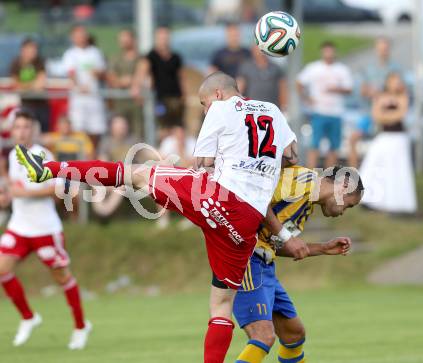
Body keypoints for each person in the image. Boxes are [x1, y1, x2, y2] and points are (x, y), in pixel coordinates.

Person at [16, 71, 299, 363]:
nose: (204, 110)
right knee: (221, 305)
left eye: (203, 104)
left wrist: (180, 179)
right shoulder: (273, 111)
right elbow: (292, 156)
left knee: (134, 174)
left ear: (216, 94)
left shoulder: (222, 108)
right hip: (248, 221)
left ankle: (49, 168)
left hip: (218, 197)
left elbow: (202, 164)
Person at [233, 165, 364, 363]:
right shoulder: (302, 178)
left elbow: (277, 244)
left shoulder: (305, 208)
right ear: (344, 185)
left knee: (294, 334)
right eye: (349, 204)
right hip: (246, 258)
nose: (345, 211)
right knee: (263, 336)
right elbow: (257, 200)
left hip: (265, 265)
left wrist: (323, 248)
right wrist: (286, 236)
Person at [0, 110, 91, 349]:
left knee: (62, 277)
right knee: (2, 269)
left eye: (26, 127)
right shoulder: (13, 156)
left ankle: (81, 326)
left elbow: (60, 190)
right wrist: (7, 198)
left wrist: (25, 193)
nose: (21, 131)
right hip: (19, 227)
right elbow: (14, 188)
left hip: (44, 229)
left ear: (33, 130)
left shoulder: (43, 155)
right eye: (17, 126)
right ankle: (29, 318)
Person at [359, 73, 417, 213]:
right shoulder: (380, 97)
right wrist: (391, 116)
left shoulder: (403, 96)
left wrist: (387, 116)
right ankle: (370, 199)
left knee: (397, 169)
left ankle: (396, 202)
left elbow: (401, 114)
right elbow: (377, 116)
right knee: (374, 166)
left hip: (399, 137)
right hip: (385, 136)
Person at [297, 41, 353, 169]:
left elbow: (349, 89)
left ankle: (329, 177)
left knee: (334, 147)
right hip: (319, 111)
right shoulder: (314, 68)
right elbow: (299, 82)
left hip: (336, 112)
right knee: (314, 145)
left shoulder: (341, 69)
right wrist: (306, 98)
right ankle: (310, 176)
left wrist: (336, 89)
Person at [348, 37, 402, 167]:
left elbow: (399, 91)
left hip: (386, 115)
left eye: (385, 49)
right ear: (376, 49)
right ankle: (354, 176)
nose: (383, 51)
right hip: (369, 113)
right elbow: (361, 90)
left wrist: (381, 94)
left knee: (385, 144)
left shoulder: (395, 68)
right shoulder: (369, 68)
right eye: (380, 49)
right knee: (353, 138)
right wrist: (369, 91)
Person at [134, 26, 185, 147]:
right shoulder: (151, 56)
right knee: (163, 128)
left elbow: (181, 77)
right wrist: (137, 89)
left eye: (165, 37)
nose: (163, 40)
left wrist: (184, 95)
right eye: (161, 37)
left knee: (179, 129)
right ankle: (160, 156)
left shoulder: (176, 57)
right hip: (160, 99)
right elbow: (141, 73)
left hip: (176, 99)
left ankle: (179, 157)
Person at [62, 25, 107, 146]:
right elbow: (71, 72)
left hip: (94, 98)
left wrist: (94, 75)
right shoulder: (70, 54)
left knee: (96, 129)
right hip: (78, 99)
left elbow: (100, 70)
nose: (80, 38)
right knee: (78, 130)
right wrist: (80, 86)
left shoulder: (95, 52)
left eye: (82, 35)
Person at [107, 29, 144, 137]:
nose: (123, 41)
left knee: (138, 132)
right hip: (120, 103)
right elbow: (111, 79)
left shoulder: (141, 58)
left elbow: (143, 75)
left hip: (137, 103)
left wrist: (132, 81)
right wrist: (124, 81)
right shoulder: (115, 58)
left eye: (126, 38)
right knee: (120, 131)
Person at [10, 38, 49, 132]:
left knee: (42, 132)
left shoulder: (40, 62)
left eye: (35, 49)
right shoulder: (16, 63)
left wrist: (24, 86)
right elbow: (15, 85)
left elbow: (41, 84)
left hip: (41, 104)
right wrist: (32, 85)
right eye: (31, 49)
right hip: (25, 105)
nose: (34, 52)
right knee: (25, 132)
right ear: (23, 50)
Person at [237, 45, 287, 110]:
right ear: (253, 50)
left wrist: (284, 107)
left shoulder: (276, 68)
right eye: (258, 48)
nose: (260, 52)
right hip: (252, 108)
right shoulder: (246, 67)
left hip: (272, 108)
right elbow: (239, 88)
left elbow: (282, 89)